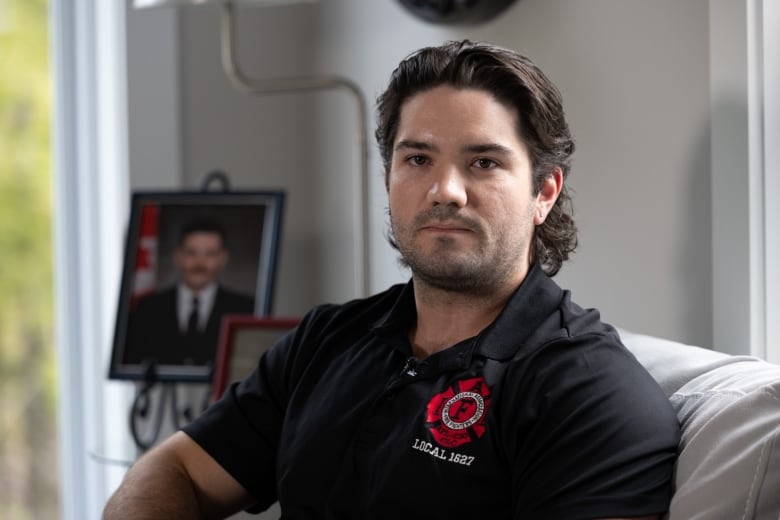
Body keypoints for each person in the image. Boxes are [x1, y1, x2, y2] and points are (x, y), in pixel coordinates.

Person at [104, 40, 680, 519]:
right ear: (388, 179)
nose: (445, 190)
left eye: (484, 162)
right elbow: (173, 467)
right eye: (418, 159)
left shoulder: (592, 396)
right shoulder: (327, 339)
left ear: (544, 193)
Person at [124, 217, 255, 368]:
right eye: (192, 253)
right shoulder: (147, 308)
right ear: (178, 257)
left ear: (223, 258)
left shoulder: (246, 308)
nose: (200, 263)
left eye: (210, 254)